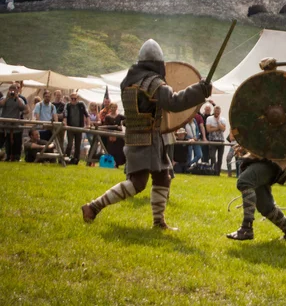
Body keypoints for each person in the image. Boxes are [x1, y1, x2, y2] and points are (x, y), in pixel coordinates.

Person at [82, 39, 212, 230]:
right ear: (158, 63)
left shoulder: (129, 81)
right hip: (147, 138)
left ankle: (159, 222)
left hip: (141, 136)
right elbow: (174, 103)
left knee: (163, 177)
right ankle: (93, 206)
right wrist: (199, 91)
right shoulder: (153, 82)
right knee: (137, 183)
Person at [227, 155, 286, 241]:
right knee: (264, 205)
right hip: (262, 160)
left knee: (245, 181)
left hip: (273, 160)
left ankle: (246, 228)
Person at [0, 84, 26, 161]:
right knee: (5, 141)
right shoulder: (4, 98)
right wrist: (8, 97)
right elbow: (1, 104)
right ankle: (7, 156)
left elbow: (22, 108)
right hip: (4, 124)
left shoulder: (20, 99)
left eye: (14, 90)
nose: (12, 92)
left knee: (16, 141)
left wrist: (16, 97)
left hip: (15, 124)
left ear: (17, 91)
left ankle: (16, 156)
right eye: (11, 90)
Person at [64, 93, 89, 164]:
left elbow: (87, 115)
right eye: (72, 99)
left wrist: (88, 124)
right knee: (69, 144)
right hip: (70, 127)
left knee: (78, 145)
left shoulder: (81, 104)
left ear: (77, 98)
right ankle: (66, 158)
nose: (73, 100)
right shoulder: (67, 105)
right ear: (70, 98)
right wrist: (65, 124)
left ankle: (76, 160)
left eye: (75, 99)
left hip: (79, 128)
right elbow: (65, 116)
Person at [101, 103, 126, 168]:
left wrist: (122, 125)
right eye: (112, 107)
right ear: (110, 108)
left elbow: (127, 120)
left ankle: (118, 163)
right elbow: (106, 126)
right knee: (111, 150)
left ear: (116, 108)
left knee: (119, 150)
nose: (113, 109)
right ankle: (111, 163)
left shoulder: (120, 116)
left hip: (118, 136)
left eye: (115, 107)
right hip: (110, 135)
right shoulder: (107, 116)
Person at [206, 106, 227, 175]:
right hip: (212, 140)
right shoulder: (209, 118)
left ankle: (218, 172)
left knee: (220, 158)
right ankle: (213, 171)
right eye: (215, 111)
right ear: (214, 111)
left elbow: (223, 129)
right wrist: (219, 128)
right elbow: (208, 129)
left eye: (218, 112)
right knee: (212, 156)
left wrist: (218, 122)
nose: (216, 113)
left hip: (221, 141)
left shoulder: (223, 119)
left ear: (220, 112)